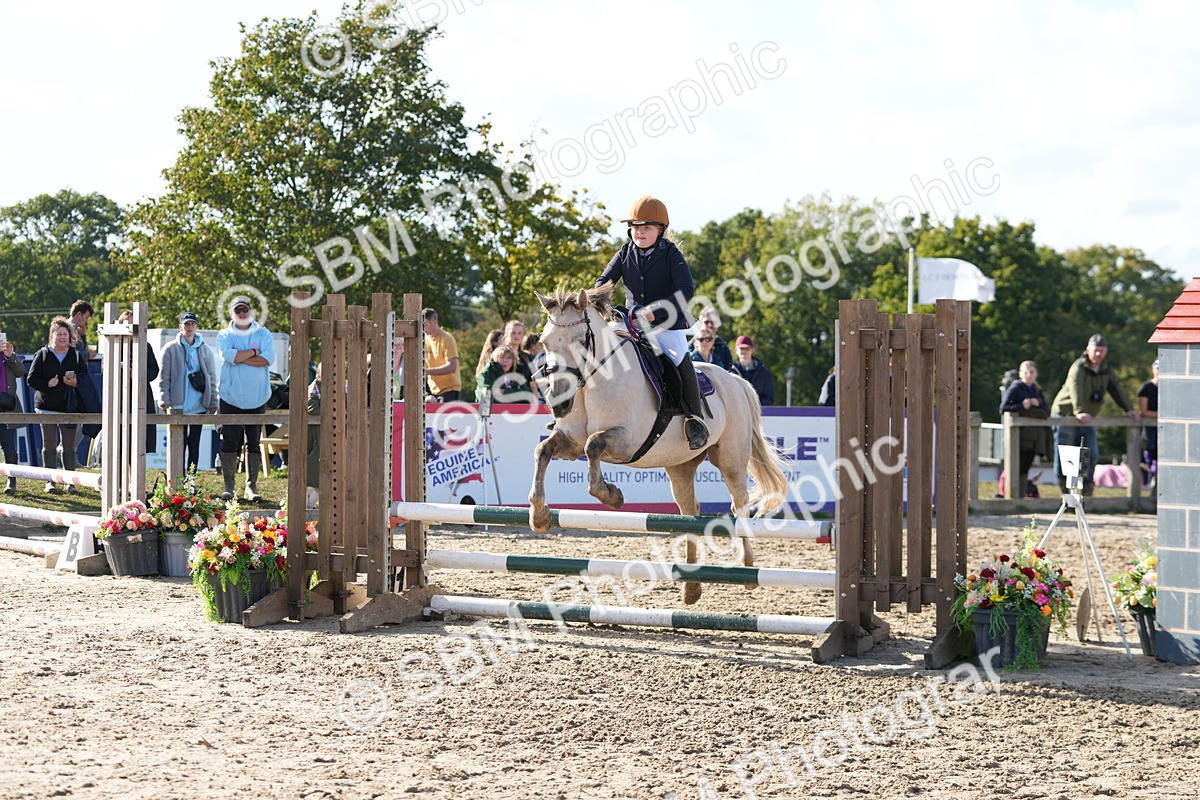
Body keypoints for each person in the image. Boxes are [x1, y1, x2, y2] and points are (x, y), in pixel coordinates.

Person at [594, 195, 708, 449]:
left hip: (666, 323)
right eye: (635, 227)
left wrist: (655, 312)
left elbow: (685, 290)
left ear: (660, 230)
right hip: (630, 322)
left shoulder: (671, 254)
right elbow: (603, 281)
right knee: (596, 349)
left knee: (679, 359)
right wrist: (603, 302)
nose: (639, 233)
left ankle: (695, 419)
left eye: (646, 228)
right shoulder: (624, 252)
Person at [1051, 334, 1138, 495]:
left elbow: (1116, 388)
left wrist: (1129, 409)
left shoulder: (1106, 369)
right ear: (1087, 350)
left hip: (1087, 418)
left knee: (1090, 454)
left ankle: (1085, 494)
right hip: (1066, 414)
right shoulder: (1079, 367)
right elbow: (1075, 388)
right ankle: (1065, 494)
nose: (1098, 354)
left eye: (1101, 351)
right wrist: (1079, 411)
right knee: (1066, 455)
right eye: (1095, 350)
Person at [216, 295, 276, 502]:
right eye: (238, 310)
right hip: (230, 397)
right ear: (231, 313)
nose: (242, 313)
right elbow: (228, 357)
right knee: (229, 442)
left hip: (258, 397)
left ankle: (251, 486)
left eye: (245, 310)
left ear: (250, 311)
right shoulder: (224, 334)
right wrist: (254, 352)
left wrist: (241, 357)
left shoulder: (263, 332)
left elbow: (268, 360)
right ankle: (229, 486)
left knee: (254, 442)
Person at [26, 317, 84, 493]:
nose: (62, 337)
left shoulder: (75, 355)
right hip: (46, 406)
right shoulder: (42, 354)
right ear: (52, 336)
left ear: (70, 336)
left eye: (65, 334)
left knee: (69, 445)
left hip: (68, 406)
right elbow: (31, 379)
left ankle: (70, 482)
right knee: (49, 443)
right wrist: (47, 384)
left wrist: (75, 382)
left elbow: (84, 377)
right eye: (58, 334)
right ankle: (50, 481)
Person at [160, 311, 219, 473]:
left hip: (199, 403)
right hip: (178, 404)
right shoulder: (169, 349)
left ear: (196, 327)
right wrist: (164, 399)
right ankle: (178, 477)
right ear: (180, 327)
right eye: (186, 324)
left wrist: (213, 401)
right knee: (179, 443)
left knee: (194, 444)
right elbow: (163, 377)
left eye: (192, 324)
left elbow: (212, 378)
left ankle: (190, 480)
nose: (190, 327)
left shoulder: (205, 349)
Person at [1000, 360, 1053, 499]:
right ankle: (1012, 495)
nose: (1028, 375)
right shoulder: (1015, 388)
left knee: (1025, 467)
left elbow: (1047, 411)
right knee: (1016, 466)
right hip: (1019, 436)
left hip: (1034, 437)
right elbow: (1004, 408)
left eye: (1031, 372)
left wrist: (1038, 403)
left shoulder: (1037, 390)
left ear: (1036, 374)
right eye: (1025, 372)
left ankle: (1021, 496)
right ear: (1020, 374)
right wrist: (1022, 405)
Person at [116, 310, 161, 454]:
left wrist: (138, 374)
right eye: (128, 323)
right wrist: (123, 370)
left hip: (141, 394)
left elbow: (154, 370)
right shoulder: (115, 344)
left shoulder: (145, 345)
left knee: (141, 438)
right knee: (121, 440)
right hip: (120, 395)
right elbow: (106, 368)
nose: (131, 326)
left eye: (133, 323)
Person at [0, 329, 27, 495]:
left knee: (10, 448)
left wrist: (10, 356)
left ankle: (12, 481)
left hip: (7, 406)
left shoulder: (8, 355)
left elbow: (21, 372)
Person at [423, 308, 461, 403]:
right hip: (433, 390)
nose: (423, 328)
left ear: (434, 322)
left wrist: (427, 372)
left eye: (425, 325)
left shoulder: (447, 338)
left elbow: (452, 367)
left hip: (450, 390)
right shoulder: (424, 339)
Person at [731, 335, 775, 407]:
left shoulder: (763, 372)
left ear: (752, 349)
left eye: (747, 348)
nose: (744, 351)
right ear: (736, 350)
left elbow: (769, 397)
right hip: (738, 412)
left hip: (760, 412)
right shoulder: (731, 372)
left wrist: (754, 404)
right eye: (741, 348)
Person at [1137, 359, 1159, 489]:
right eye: (1157, 368)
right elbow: (1144, 411)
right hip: (1149, 429)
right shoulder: (1146, 388)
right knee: (1149, 454)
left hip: (1166, 428)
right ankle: (1149, 481)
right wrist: (1161, 414)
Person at [692, 306, 733, 370]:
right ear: (700, 323)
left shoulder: (723, 347)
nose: (710, 325)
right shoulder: (689, 346)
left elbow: (728, 371)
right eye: (706, 322)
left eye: (713, 322)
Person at [504, 320, 535, 385]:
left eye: (519, 333)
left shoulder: (527, 357)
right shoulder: (499, 356)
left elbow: (532, 382)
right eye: (513, 333)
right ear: (506, 334)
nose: (516, 336)